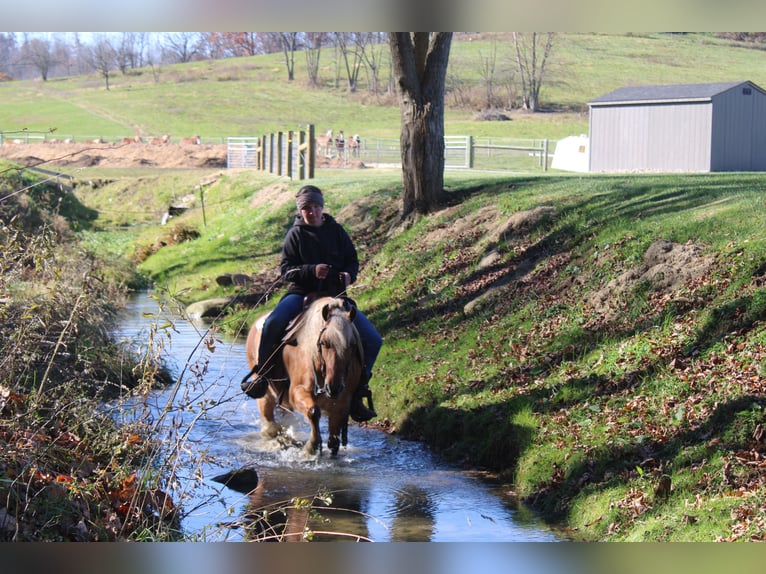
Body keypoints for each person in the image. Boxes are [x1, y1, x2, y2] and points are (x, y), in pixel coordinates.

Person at [242, 184, 381, 422]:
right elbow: (286, 271)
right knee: (274, 322)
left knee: (373, 339)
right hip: (301, 294)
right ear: (301, 210)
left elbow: (352, 261)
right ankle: (262, 376)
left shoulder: (336, 231)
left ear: (322, 207)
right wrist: (310, 271)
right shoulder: (294, 235)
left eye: (316, 207)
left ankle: (358, 391)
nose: (312, 212)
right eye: (307, 208)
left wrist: (348, 275)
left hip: (336, 298)